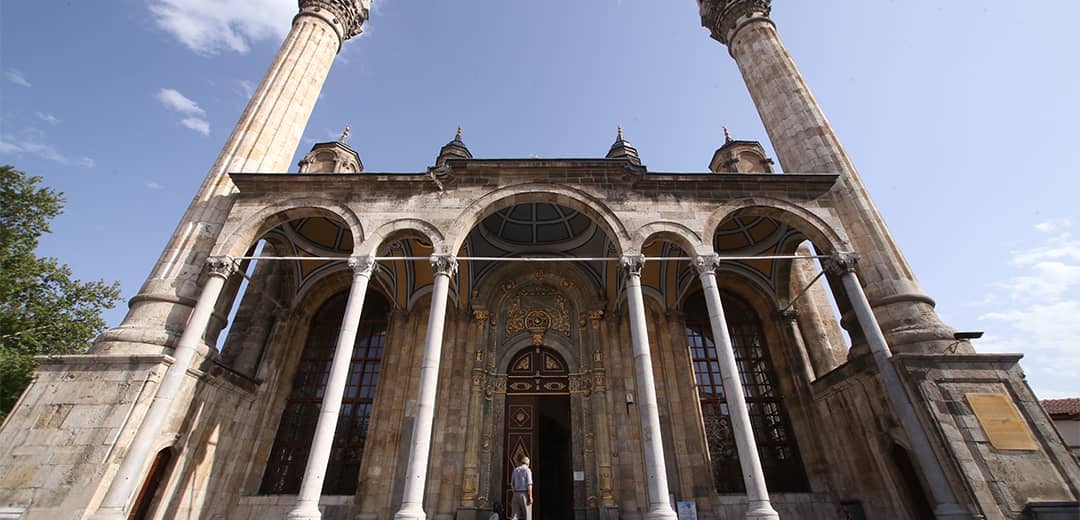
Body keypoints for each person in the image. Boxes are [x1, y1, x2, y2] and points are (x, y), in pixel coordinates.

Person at [509, 455, 533, 520]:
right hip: (524, 494)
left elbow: (512, 484)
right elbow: (529, 484)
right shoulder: (527, 470)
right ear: (526, 462)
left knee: (514, 516)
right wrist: (530, 496)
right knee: (527, 515)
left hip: (516, 494)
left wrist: (515, 492)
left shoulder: (515, 470)